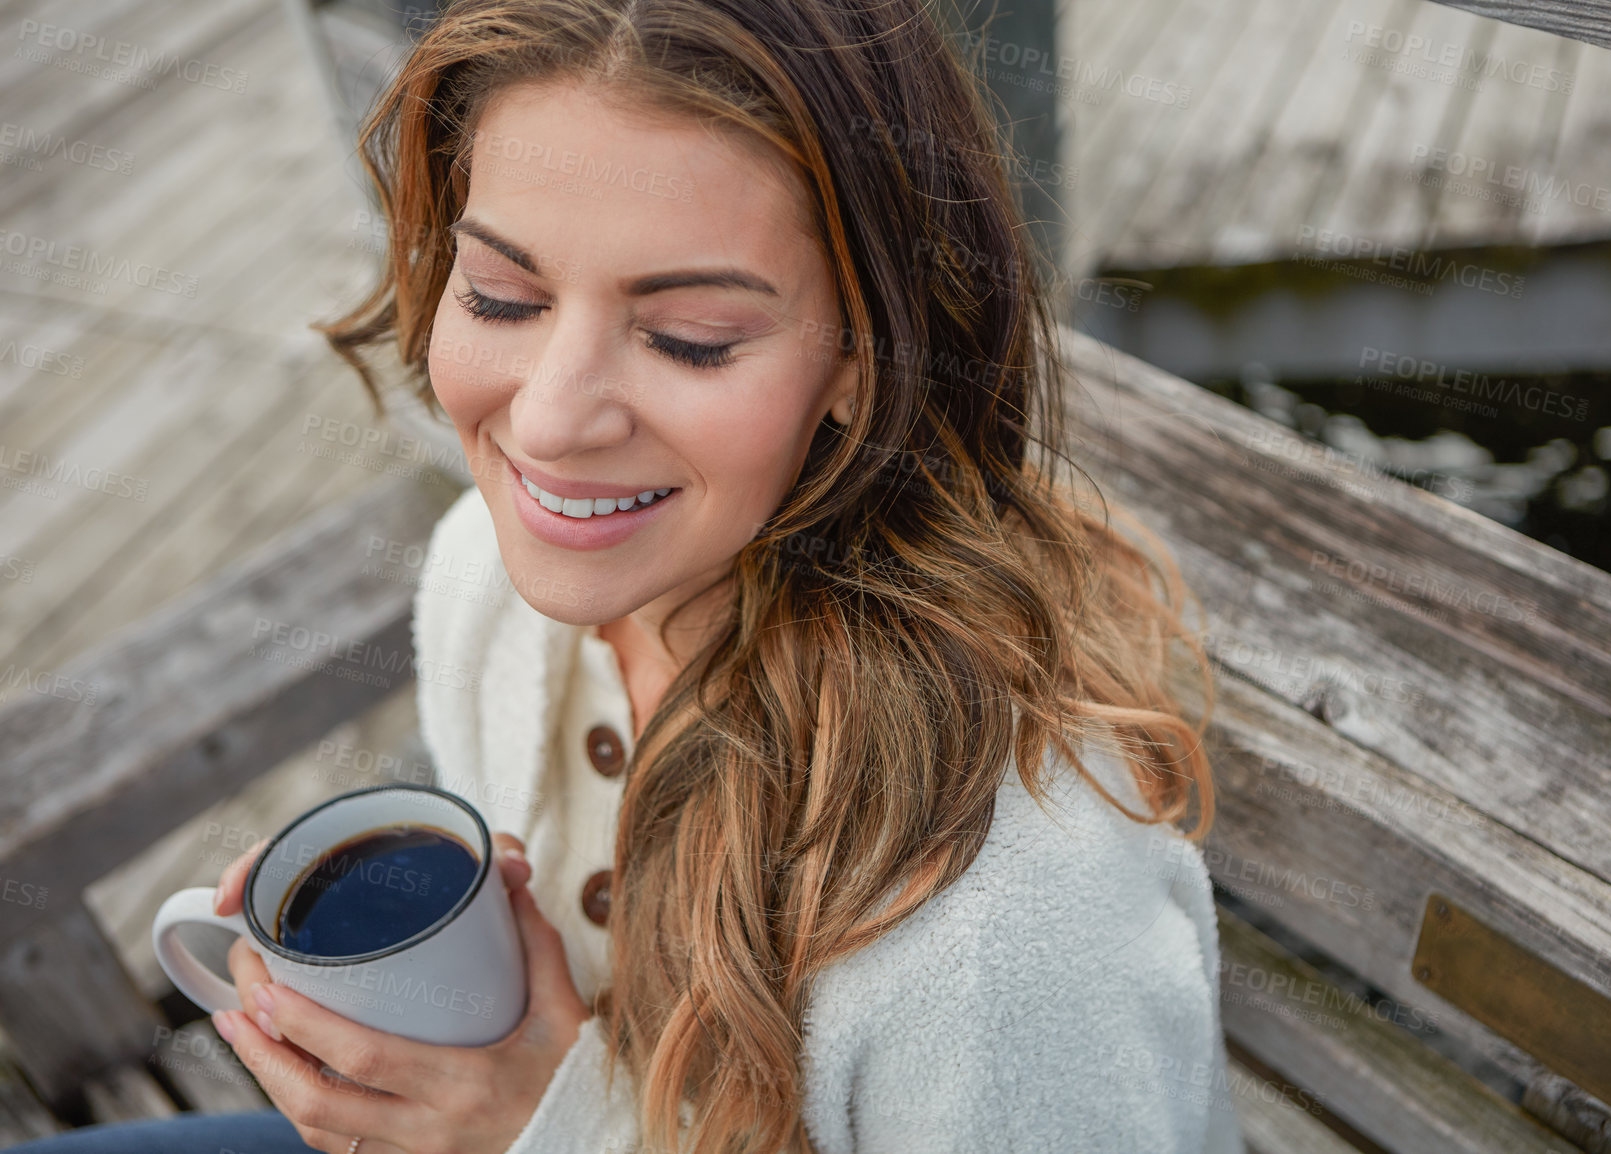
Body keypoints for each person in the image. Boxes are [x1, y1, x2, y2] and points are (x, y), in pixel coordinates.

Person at [17, 0, 1243, 1150]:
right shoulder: (482, 588)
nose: (547, 424)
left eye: (687, 338)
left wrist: (539, 1125)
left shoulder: (1011, 920)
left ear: (865, 361)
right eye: (500, 295)